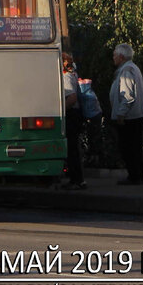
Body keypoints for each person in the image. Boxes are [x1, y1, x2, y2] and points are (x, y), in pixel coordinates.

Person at [110, 43, 143, 185]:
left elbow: (127, 95)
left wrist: (121, 114)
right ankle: (138, 175)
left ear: (121, 56)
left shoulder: (126, 70)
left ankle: (134, 176)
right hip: (135, 115)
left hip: (129, 117)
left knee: (129, 147)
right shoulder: (132, 68)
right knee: (135, 147)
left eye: (114, 55)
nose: (113, 58)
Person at [61, 52, 86, 190]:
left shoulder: (66, 76)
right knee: (74, 147)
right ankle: (77, 179)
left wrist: (61, 112)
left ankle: (76, 180)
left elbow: (71, 98)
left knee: (72, 148)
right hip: (76, 113)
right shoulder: (73, 74)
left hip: (71, 114)